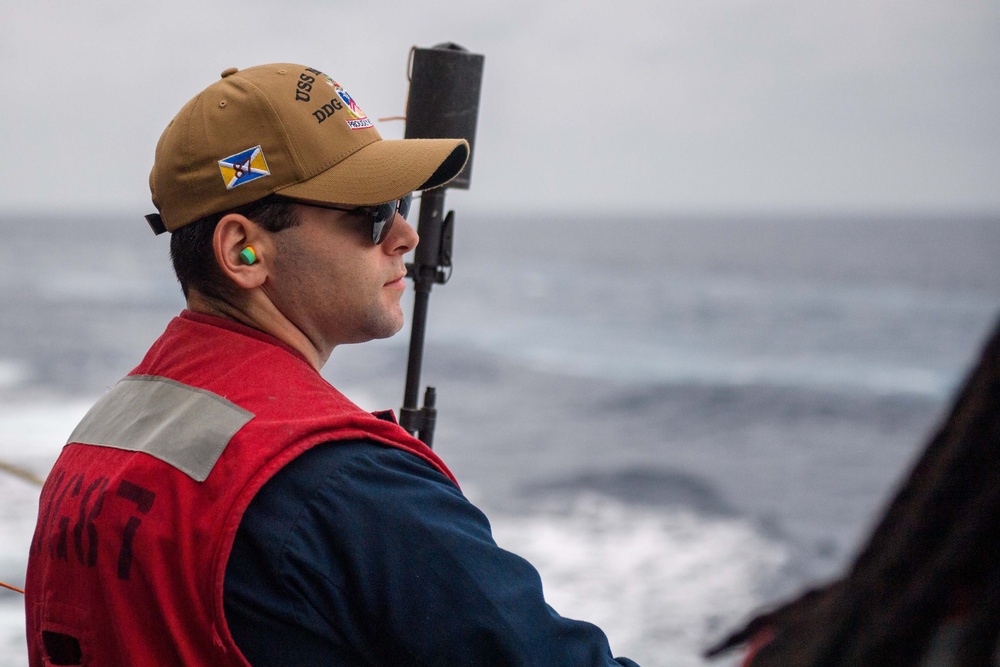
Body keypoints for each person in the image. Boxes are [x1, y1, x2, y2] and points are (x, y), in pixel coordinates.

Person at [24, 63, 640, 666]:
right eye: (371, 213)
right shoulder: (346, 484)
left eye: (399, 203)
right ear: (243, 250)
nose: (406, 234)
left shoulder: (98, 441)